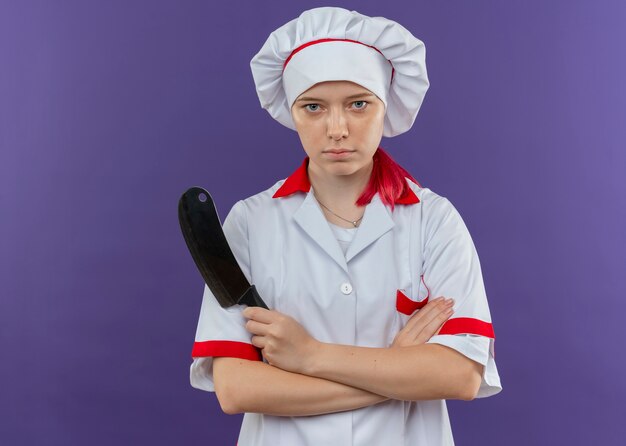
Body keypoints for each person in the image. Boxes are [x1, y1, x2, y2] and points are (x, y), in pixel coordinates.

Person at [189, 6, 502, 445]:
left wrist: (310, 356)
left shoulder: (434, 220)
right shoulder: (250, 221)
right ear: (292, 112)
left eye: (358, 104)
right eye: (313, 107)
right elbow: (237, 388)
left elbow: (460, 374)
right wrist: (395, 369)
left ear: (385, 106)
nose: (337, 129)